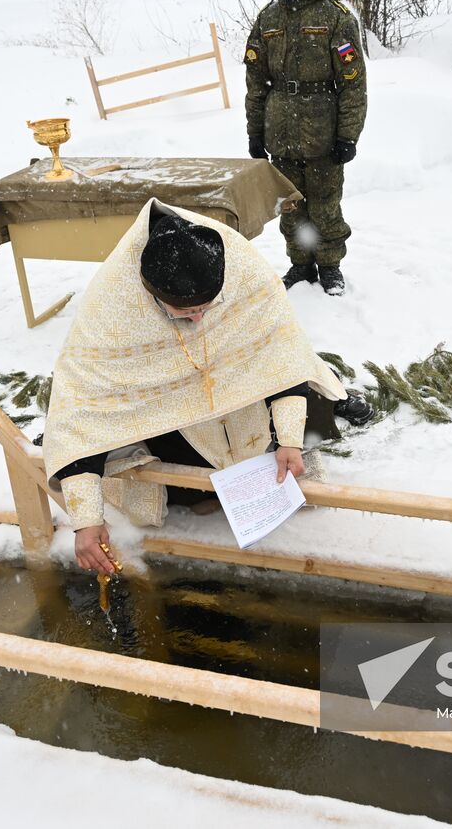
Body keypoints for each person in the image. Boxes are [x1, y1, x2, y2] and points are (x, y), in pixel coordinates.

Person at [41, 198, 348, 575]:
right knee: (190, 493)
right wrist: (87, 520)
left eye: (207, 307)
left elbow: (280, 354)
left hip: (243, 399)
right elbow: (82, 412)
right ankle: (204, 492)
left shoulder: (241, 265)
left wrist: (288, 439)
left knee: (304, 421)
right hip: (170, 416)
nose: (200, 318)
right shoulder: (111, 307)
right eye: (186, 312)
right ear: (151, 292)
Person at [244, 0, 367, 297]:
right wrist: (255, 132)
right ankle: (300, 263)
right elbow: (255, 82)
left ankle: (329, 266)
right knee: (291, 207)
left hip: (322, 130)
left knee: (326, 205)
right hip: (280, 129)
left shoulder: (335, 16)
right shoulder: (268, 18)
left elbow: (353, 83)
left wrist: (348, 135)